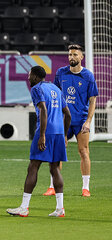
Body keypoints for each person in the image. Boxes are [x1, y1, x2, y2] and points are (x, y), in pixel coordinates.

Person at [7, 66, 71, 217]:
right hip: (58, 132)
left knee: (33, 167)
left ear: (35, 77)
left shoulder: (37, 89)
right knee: (54, 168)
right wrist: (65, 135)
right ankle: (60, 208)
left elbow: (43, 109)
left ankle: (24, 207)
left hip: (46, 131)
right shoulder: (55, 88)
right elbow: (67, 114)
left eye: (29, 75)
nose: (28, 78)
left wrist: (42, 134)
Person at [43, 44, 99, 197]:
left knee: (83, 151)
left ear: (81, 57)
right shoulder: (61, 73)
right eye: (70, 55)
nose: (71, 57)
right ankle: (52, 186)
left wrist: (88, 121)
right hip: (62, 120)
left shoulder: (88, 76)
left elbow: (92, 100)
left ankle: (85, 188)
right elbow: (55, 96)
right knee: (57, 152)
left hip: (80, 120)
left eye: (75, 54)